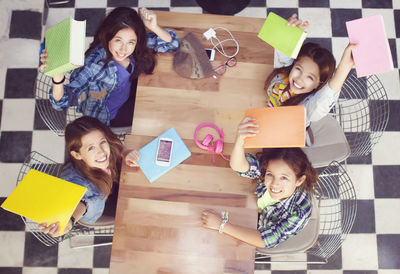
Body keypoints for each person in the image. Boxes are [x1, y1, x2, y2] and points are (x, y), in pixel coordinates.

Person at [40, 7, 179, 126]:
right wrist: (58, 77)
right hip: (109, 115)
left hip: (126, 93)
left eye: (131, 42)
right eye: (118, 40)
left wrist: (154, 27)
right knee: (159, 114)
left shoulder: (135, 46)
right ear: (108, 37)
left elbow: (171, 44)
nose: (124, 49)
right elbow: (60, 104)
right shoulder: (94, 65)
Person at [201, 117, 318, 248]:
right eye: (270, 174)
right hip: (253, 209)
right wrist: (239, 139)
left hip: (262, 226)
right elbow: (239, 166)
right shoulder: (270, 170)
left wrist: (221, 225)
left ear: (299, 180)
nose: (274, 184)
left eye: (284, 178)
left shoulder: (300, 212)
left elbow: (264, 240)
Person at [38, 116, 141, 237]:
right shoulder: (76, 181)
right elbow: (82, 202)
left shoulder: (105, 151)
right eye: (91, 148)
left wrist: (125, 152)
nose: (101, 151)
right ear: (77, 155)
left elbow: (113, 143)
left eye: (102, 142)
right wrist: (70, 219)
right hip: (104, 206)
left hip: (111, 183)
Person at [265, 14, 356, 128]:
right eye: (298, 69)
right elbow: (283, 52)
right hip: (266, 114)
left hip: (281, 133)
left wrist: (345, 67)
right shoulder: (286, 72)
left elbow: (322, 102)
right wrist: (289, 35)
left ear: (319, 83)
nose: (299, 79)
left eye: (310, 77)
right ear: (294, 64)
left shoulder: (307, 107)